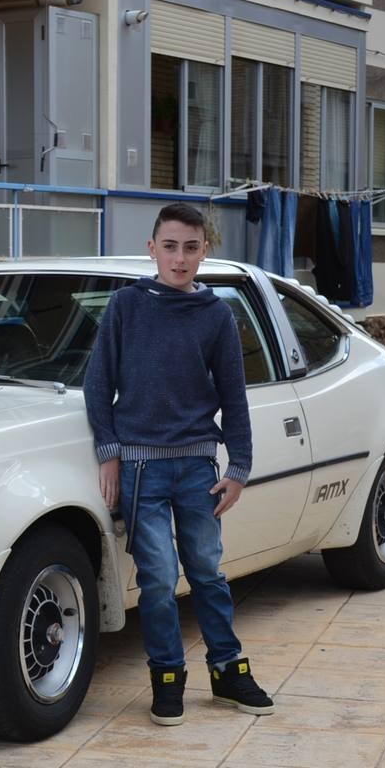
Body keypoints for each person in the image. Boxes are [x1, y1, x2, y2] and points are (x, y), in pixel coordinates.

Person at [83, 202, 274, 726]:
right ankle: (167, 680)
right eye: (170, 246)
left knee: (208, 573)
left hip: (196, 467)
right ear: (152, 249)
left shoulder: (216, 314)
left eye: (191, 247)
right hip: (141, 471)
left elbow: (234, 397)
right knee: (160, 580)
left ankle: (228, 673)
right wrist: (110, 453)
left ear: (204, 251)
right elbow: (98, 384)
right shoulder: (126, 306)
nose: (180, 257)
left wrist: (238, 469)